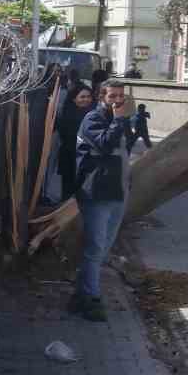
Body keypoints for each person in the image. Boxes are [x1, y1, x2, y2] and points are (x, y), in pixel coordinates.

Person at [72, 80, 137, 322]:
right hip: (96, 194)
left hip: (118, 192)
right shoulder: (92, 119)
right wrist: (119, 120)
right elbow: (105, 143)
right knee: (95, 248)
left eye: (121, 96)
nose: (118, 101)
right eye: (112, 96)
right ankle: (91, 299)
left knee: (102, 249)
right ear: (102, 97)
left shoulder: (121, 120)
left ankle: (80, 296)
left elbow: (125, 151)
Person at [55, 78, 95, 205]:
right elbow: (65, 135)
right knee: (69, 189)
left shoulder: (95, 114)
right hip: (70, 156)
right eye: (82, 97)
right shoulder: (67, 114)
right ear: (74, 98)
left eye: (88, 97)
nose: (86, 99)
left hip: (89, 158)